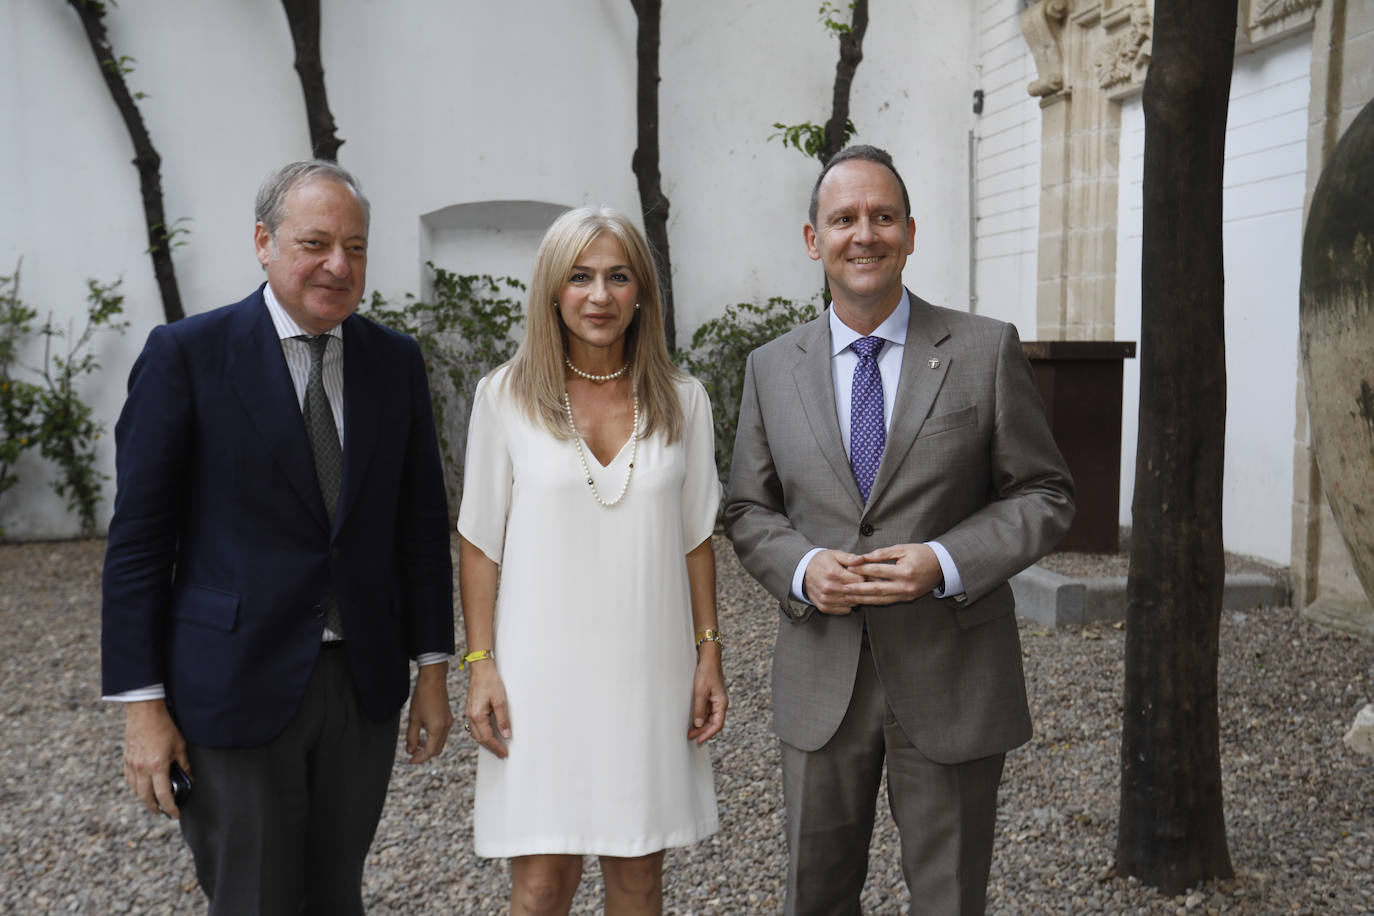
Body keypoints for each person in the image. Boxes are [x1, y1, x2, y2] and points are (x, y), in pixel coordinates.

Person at [723, 144, 1075, 915]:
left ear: (911, 233)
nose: (865, 234)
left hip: (952, 674)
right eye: (843, 218)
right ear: (813, 239)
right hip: (823, 679)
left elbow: (1046, 493)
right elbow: (748, 509)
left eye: (883, 217)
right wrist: (803, 565)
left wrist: (945, 561)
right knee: (814, 897)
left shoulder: (983, 351)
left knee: (949, 900)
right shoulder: (770, 369)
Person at [100, 160, 456, 915]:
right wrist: (143, 706)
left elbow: (420, 528)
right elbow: (137, 543)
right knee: (254, 898)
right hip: (233, 681)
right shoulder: (187, 356)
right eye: (316, 243)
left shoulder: (393, 362)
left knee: (337, 896)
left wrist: (431, 667)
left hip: (360, 686)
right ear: (263, 243)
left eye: (355, 248)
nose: (338, 265)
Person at [457, 206, 727, 915]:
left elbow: (697, 537)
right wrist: (479, 664)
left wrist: (708, 655)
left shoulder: (684, 403)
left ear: (643, 292)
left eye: (617, 276)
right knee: (542, 883)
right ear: (553, 289)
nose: (599, 296)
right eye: (579, 277)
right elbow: (480, 541)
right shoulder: (504, 398)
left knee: (637, 875)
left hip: (647, 672)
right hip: (538, 679)